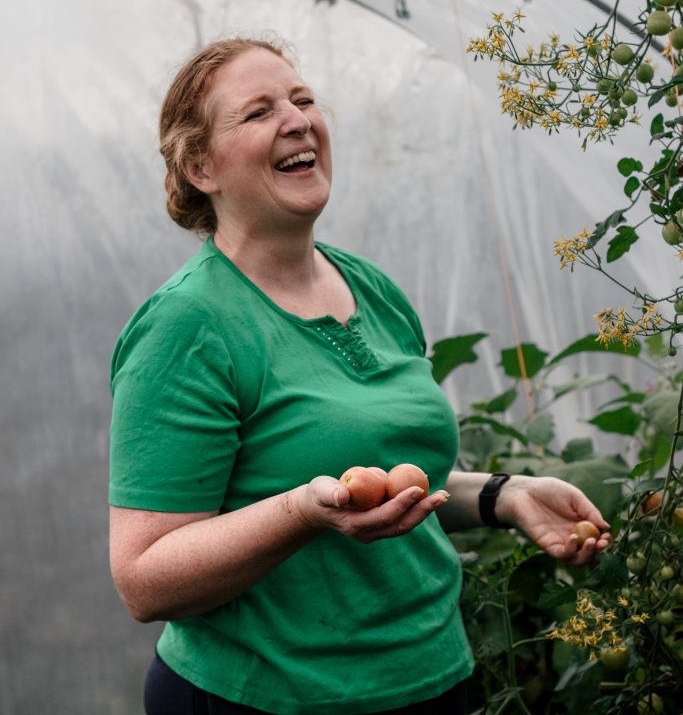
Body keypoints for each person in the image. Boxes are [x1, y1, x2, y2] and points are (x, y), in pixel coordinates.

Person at [108, 36, 612, 715]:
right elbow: (144, 580)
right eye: (258, 113)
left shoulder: (370, 288)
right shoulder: (188, 326)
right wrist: (300, 513)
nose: (296, 119)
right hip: (268, 698)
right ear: (200, 165)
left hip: (432, 678)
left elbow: (384, 481)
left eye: (303, 99)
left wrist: (502, 495)